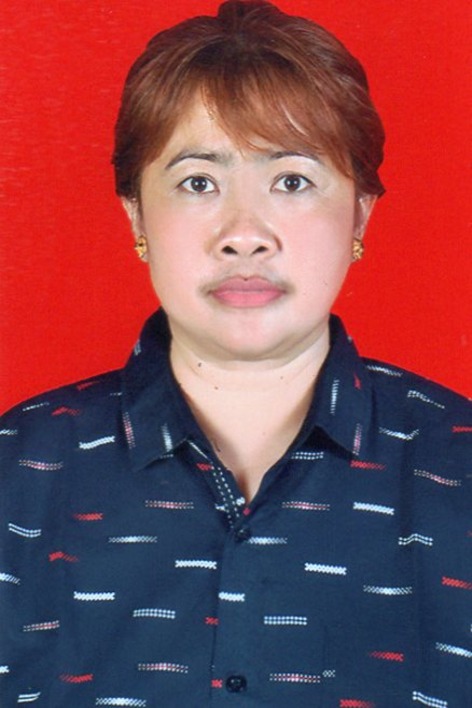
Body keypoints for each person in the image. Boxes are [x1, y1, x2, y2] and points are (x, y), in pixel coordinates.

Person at [1, 1, 470, 705]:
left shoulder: (459, 467)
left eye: (292, 181)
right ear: (135, 213)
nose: (244, 234)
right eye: (199, 183)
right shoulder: (19, 472)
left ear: (359, 214)